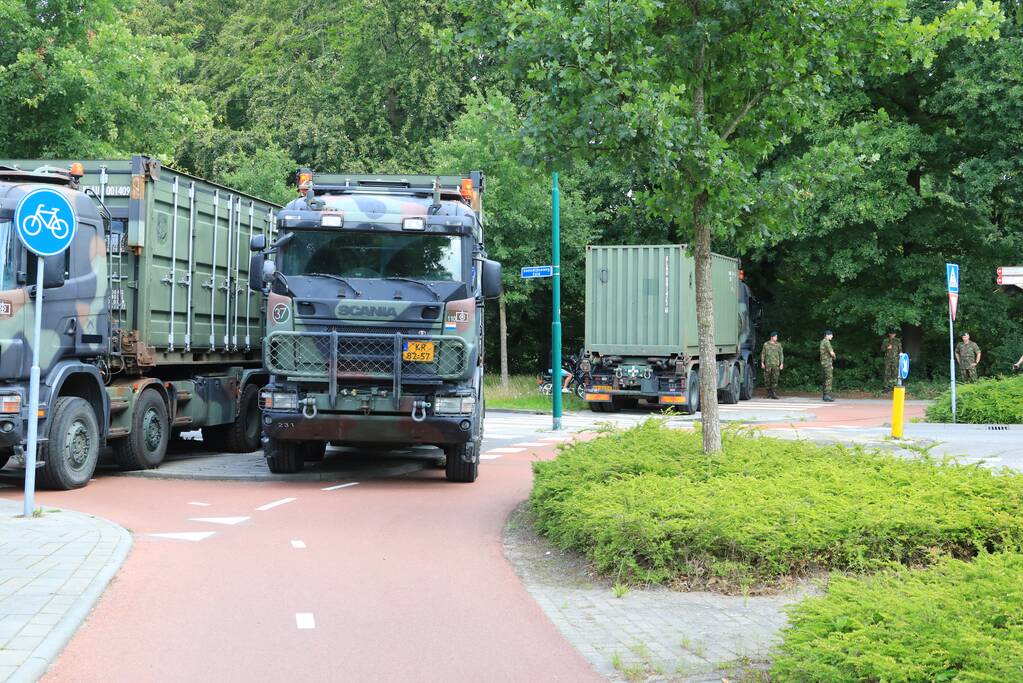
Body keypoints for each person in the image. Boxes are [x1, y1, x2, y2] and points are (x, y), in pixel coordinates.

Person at [760, 331, 784, 399]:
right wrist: (762, 362)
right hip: (768, 365)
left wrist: (781, 363)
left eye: (776, 337)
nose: (776, 338)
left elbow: (781, 354)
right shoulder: (766, 344)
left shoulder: (778, 345)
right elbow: (763, 354)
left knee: (775, 379)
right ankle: (768, 393)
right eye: (775, 336)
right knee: (767, 379)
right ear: (772, 337)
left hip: (776, 365)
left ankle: (774, 393)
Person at [820, 330, 836, 402]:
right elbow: (831, 352)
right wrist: (834, 357)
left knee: (825, 378)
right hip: (827, 363)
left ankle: (824, 395)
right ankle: (827, 395)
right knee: (829, 378)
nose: (832, 336)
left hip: (824, 363)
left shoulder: (822, 341)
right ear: (827, 335)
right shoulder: (827, 342)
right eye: (831, 335)